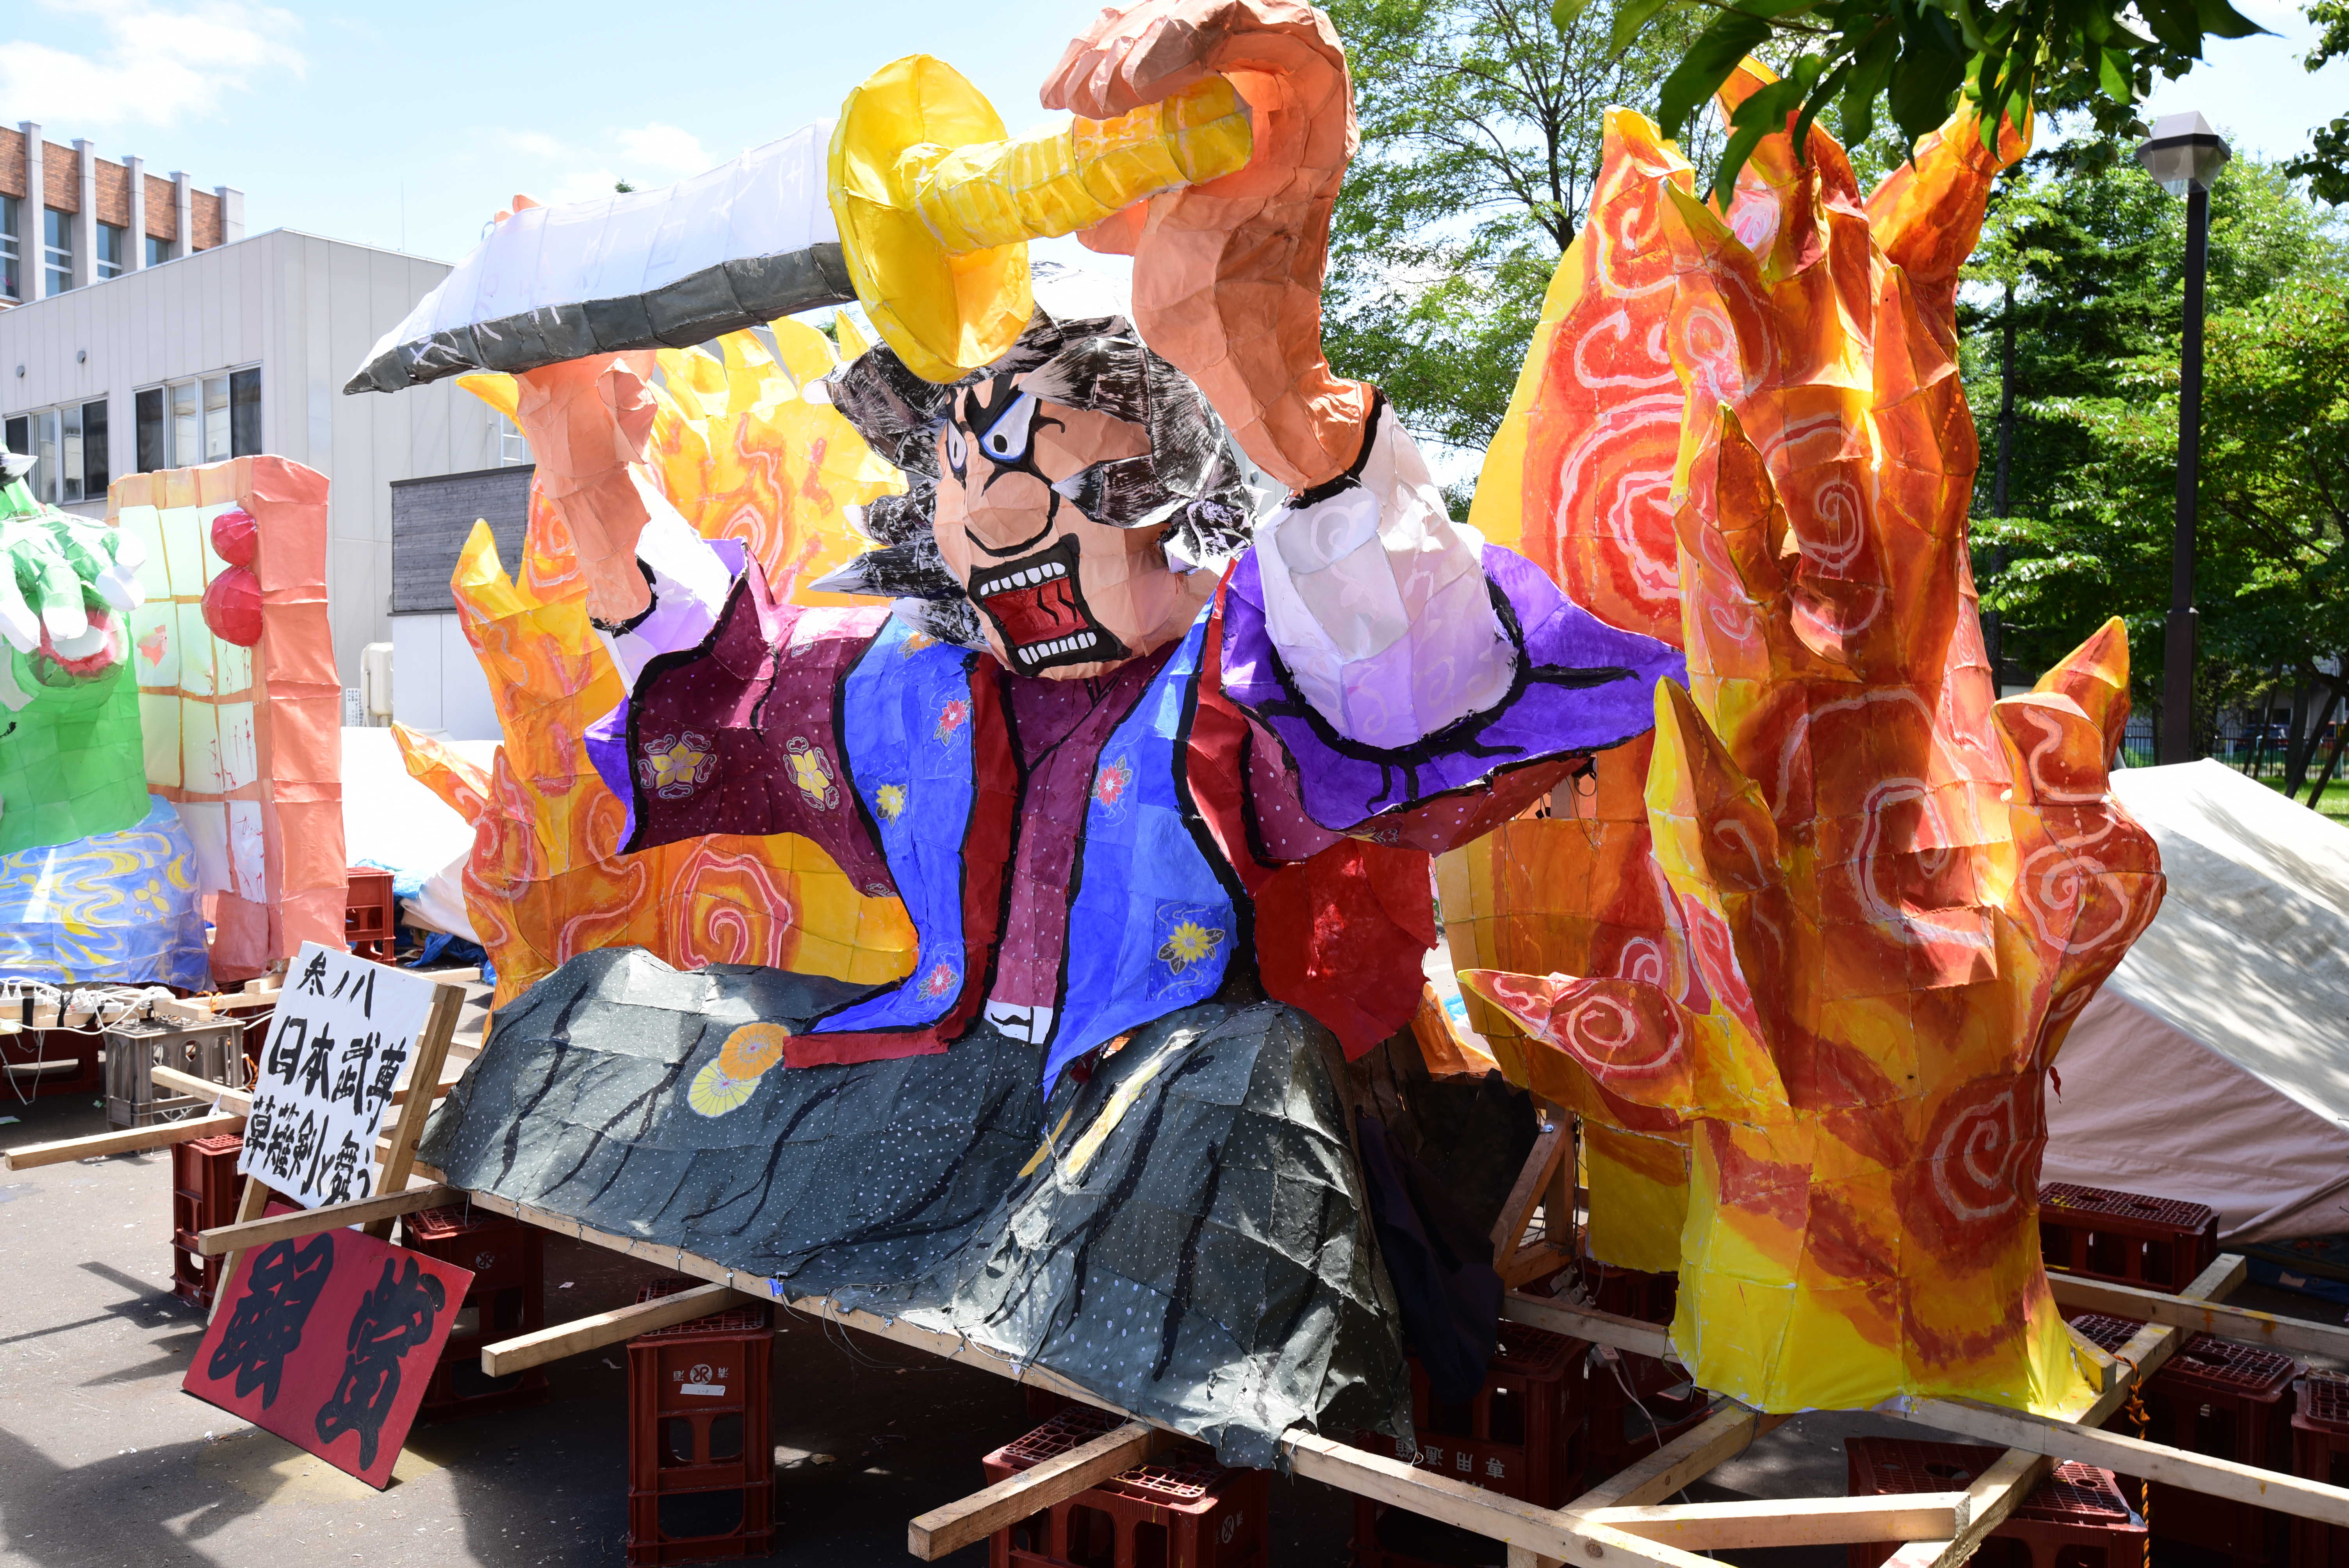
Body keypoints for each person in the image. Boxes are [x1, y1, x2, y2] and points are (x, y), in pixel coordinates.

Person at [421, 0, 1679, 1462]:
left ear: (1183, 491)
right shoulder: (914, 683)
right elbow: (726, 681)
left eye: (1058, 475)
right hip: (955, 1069)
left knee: (1233, 1081)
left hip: (1215, 1110)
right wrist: (590, 468)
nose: (1004, 513)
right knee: (599, 1014)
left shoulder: (1256, 660)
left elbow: (1413, 683)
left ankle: (1182, 1371)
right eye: (971, 475)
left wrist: (1252, 350)